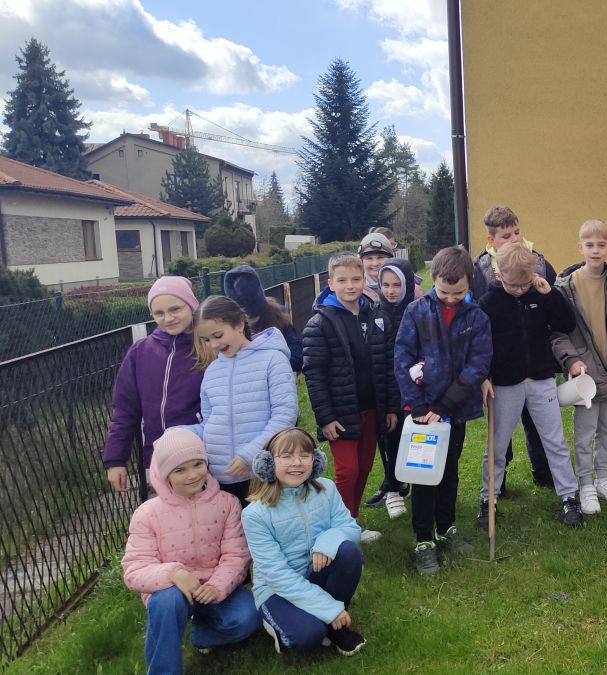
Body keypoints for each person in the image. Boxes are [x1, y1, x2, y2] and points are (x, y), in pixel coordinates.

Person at [122, 428, 257, 673]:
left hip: (216, 588)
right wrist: (174, 573)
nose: (193, 475)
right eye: (180, 470)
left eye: (198, 464)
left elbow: (236, 555)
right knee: (165, 602)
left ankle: (203, 633)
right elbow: (134, 570)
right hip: (174, 592)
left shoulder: (227, 503)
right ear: (165, 475)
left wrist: (216, 586)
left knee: (249, 617)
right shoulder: (147, 514)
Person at [395, 246, 492, 575]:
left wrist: (445, 405)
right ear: (433, 280)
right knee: (423, 475)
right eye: (444, 292)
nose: (451, 299)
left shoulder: (477, 318)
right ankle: (424, 539)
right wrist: (419, 405)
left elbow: (478, 364)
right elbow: (402, 359)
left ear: (470, 284)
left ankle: (446, 526)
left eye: (458, 293)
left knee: (449, 470)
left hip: (454, 409)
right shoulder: (415, 312)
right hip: (421, 413)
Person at [478, 242, 583, 527]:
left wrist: (550, 296)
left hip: (541, 379)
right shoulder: (488, 303)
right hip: (504, 384)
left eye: (525, 284)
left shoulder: (540, 294)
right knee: (497, 444)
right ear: (499, 274)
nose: (519, 290)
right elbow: (481, 345)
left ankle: (569, 496)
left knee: (555, 441)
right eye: (513, 285)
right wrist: (484, 375)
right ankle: (488, 500)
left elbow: (567, 324)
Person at [301, 253, 400, 541]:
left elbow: (388, 365)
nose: (350, 285)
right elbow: (314, 375)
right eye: (342, 280)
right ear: (330, 284)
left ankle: (351, 522)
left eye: (356, 279)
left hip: (372, 408)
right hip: (341, 413)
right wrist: (325, 418)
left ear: (364, 281)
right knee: (348, 470)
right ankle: (338, 527)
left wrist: (390, 407)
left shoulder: (377, 316)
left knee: (365, 466)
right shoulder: (319, 324)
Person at [242, 428, 366, 655]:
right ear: (268, 463)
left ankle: (334, 627)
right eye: (286, 456)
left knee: (348, 552)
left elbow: (351, 528)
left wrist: (327, 542)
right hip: (277, 589)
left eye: (304, 455)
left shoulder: (326, 488)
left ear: (315, 460)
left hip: (316, 573)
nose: (297, 463)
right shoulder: (255, 514)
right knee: (308, 635)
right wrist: (328, 608)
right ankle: (284, 622)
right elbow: (276, 575)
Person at [551, 220, 607, 515]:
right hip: (586, 373)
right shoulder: (565, 287)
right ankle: (586, 483)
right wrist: (571, 360)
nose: (595, 250)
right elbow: (557, 333)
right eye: (589, 245)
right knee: (585, 432)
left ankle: (603, 478)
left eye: (601, 245)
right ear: (580, 247)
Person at [470, 206, 556, 490]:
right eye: (506, 236)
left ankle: (543, 471)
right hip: (500, 363)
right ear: (492, 240)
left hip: (534, 358)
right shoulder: (480, 269)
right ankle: (498, 481)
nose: (515, 239)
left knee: (536, 422)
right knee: (501, 427)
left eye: (517, 232)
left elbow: (553, 299)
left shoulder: (538, 261)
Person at [186, 296, 298, 505]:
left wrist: (250, 455)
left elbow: (285, 416)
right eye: (206, 340)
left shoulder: (273, 360)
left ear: (239, 324)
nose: (214, 344)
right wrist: (178, 435)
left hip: (260, 473)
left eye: (218, 335)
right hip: (220, 478)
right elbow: (208, 423)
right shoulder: (211, 371)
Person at [103, 276, 203, 494]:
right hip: (160, 461)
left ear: (192, 306)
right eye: (159, 313)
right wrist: (115, 459)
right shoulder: (140, 352)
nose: (168, 318)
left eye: (175, 309)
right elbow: (125, 410)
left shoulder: (208, 346)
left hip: (202, 460)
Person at [363, 257, 420, 518]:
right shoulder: (377, 314)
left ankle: (415, 485)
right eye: (385, 285)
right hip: (388, 393)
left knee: (415, 442)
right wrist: (388, 406)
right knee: (390, 441)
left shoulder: (417, 311)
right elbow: (380, 363)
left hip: (415, 391)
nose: (391, 291)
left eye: (397, 285)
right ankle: (394, 487)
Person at [223, 264, 303, 372]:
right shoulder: (226, 329)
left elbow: (298, 357)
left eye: (253, 318)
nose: (249, 324)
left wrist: (265, 363)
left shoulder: (278, 317)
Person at [358, 233, 394, 302]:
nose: (375, 263)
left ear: (391, 259)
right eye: (369, 258)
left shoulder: (407, 285)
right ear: (362, 261)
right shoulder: (355, 290)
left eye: (380, 257)